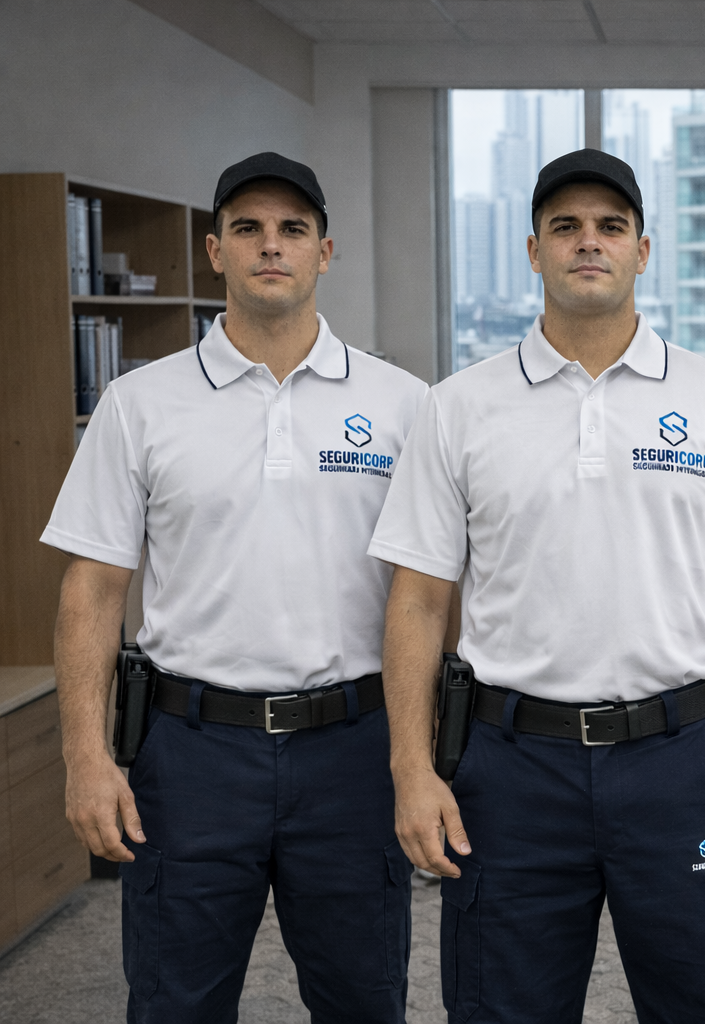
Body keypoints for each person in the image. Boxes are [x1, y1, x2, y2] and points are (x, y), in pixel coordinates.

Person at [370, 149, 705, 1024]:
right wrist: (410, 769)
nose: (589, 244)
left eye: (610, 228)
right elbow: (419, 600)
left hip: (682, 758)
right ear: (533, 251)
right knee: (502, 1006)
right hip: (510, 768)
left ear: (643, 251)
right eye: (566, 228)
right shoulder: (458, 407)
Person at [46, 152, 429, 1023]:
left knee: (366, 998)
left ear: (325, 253)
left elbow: (432, 589)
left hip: (351, 751)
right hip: (190, 755)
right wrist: (85, 757)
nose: (271, 247)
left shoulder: (404, 404)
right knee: (175, 1000)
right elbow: (93, 589)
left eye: (292, 230)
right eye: (248, 229)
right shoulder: (140, 403)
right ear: (214, 250)